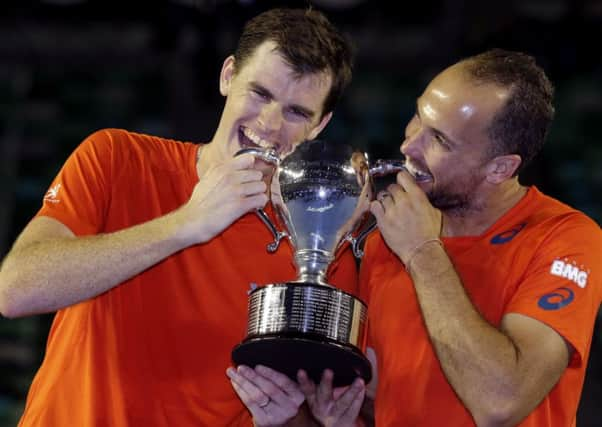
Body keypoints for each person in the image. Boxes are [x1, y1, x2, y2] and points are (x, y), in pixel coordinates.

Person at [0, 7, 361, 426]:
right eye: (260, 93)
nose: (269, 122)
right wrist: (186, 224)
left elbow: (321, 407)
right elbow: (15, 289)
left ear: (320, 125)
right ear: (228, 76)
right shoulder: (116, 157)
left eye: (297, 112)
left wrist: (285, 420)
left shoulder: (317, 247)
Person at [360, 49, 602, 426]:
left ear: (500, 168)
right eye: (417, 116)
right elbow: (385, 397)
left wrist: (422, 251)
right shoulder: (386, 236)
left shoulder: (567, 238)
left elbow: (500, 402)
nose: (409, 145)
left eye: (439, 139)